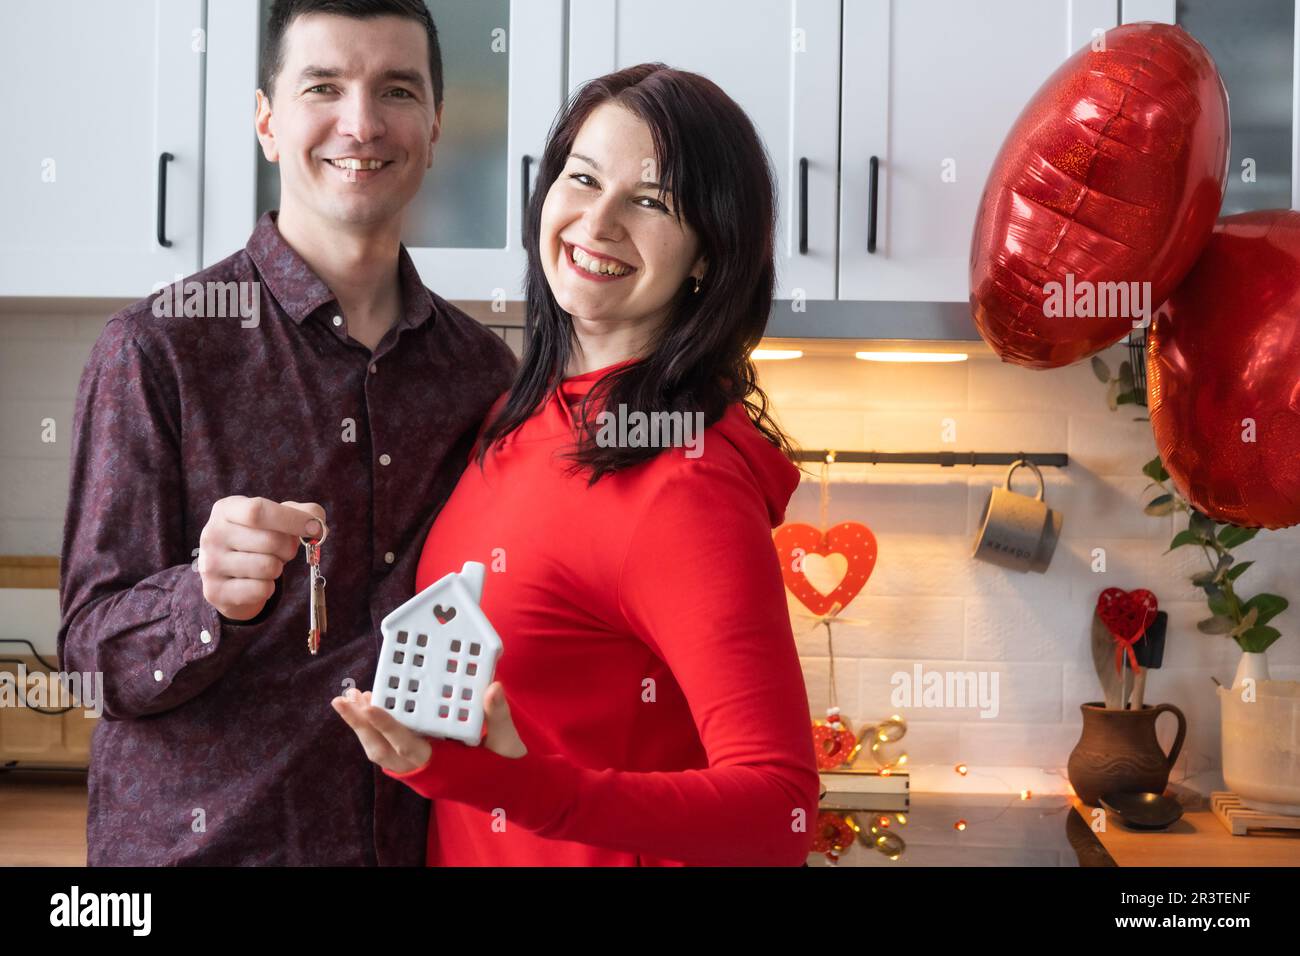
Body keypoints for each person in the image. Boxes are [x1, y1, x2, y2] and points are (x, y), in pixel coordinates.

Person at [57, 0, 516, 865]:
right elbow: (90, 661)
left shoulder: (485, 376)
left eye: (397, 89)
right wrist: (204, 600)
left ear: (434, 127)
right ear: (267, 122)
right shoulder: (156, 352)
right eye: (323, 86)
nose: (361, 121)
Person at [333, 63, 820, 866]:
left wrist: (521, 786)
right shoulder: (514, 415)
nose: (597, 222)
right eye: (582, 178)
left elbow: (780, 808)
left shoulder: (684, 486)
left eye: (652, 201)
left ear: (709, 252)